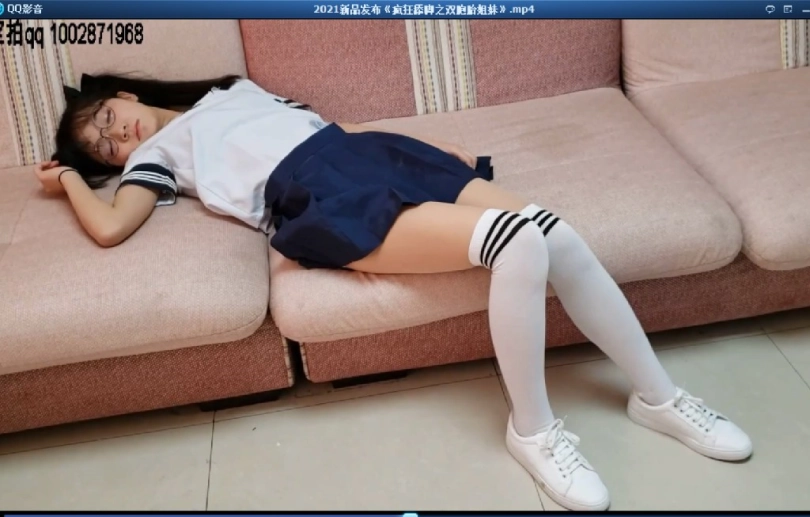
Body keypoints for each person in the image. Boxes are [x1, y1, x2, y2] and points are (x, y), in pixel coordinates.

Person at [37, 73, 752, 511]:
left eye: (106, 119)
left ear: (124, 94)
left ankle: (658, 397)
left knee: (555, 232)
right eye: (104, 148)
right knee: (519, 242)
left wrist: (419, 156)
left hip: (368, 152)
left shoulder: (235, 91)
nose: (116, 136)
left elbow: (323, 127)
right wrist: (69, 179)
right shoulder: (158, 157)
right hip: (316, 194)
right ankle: (533, 432)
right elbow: (110, 227)